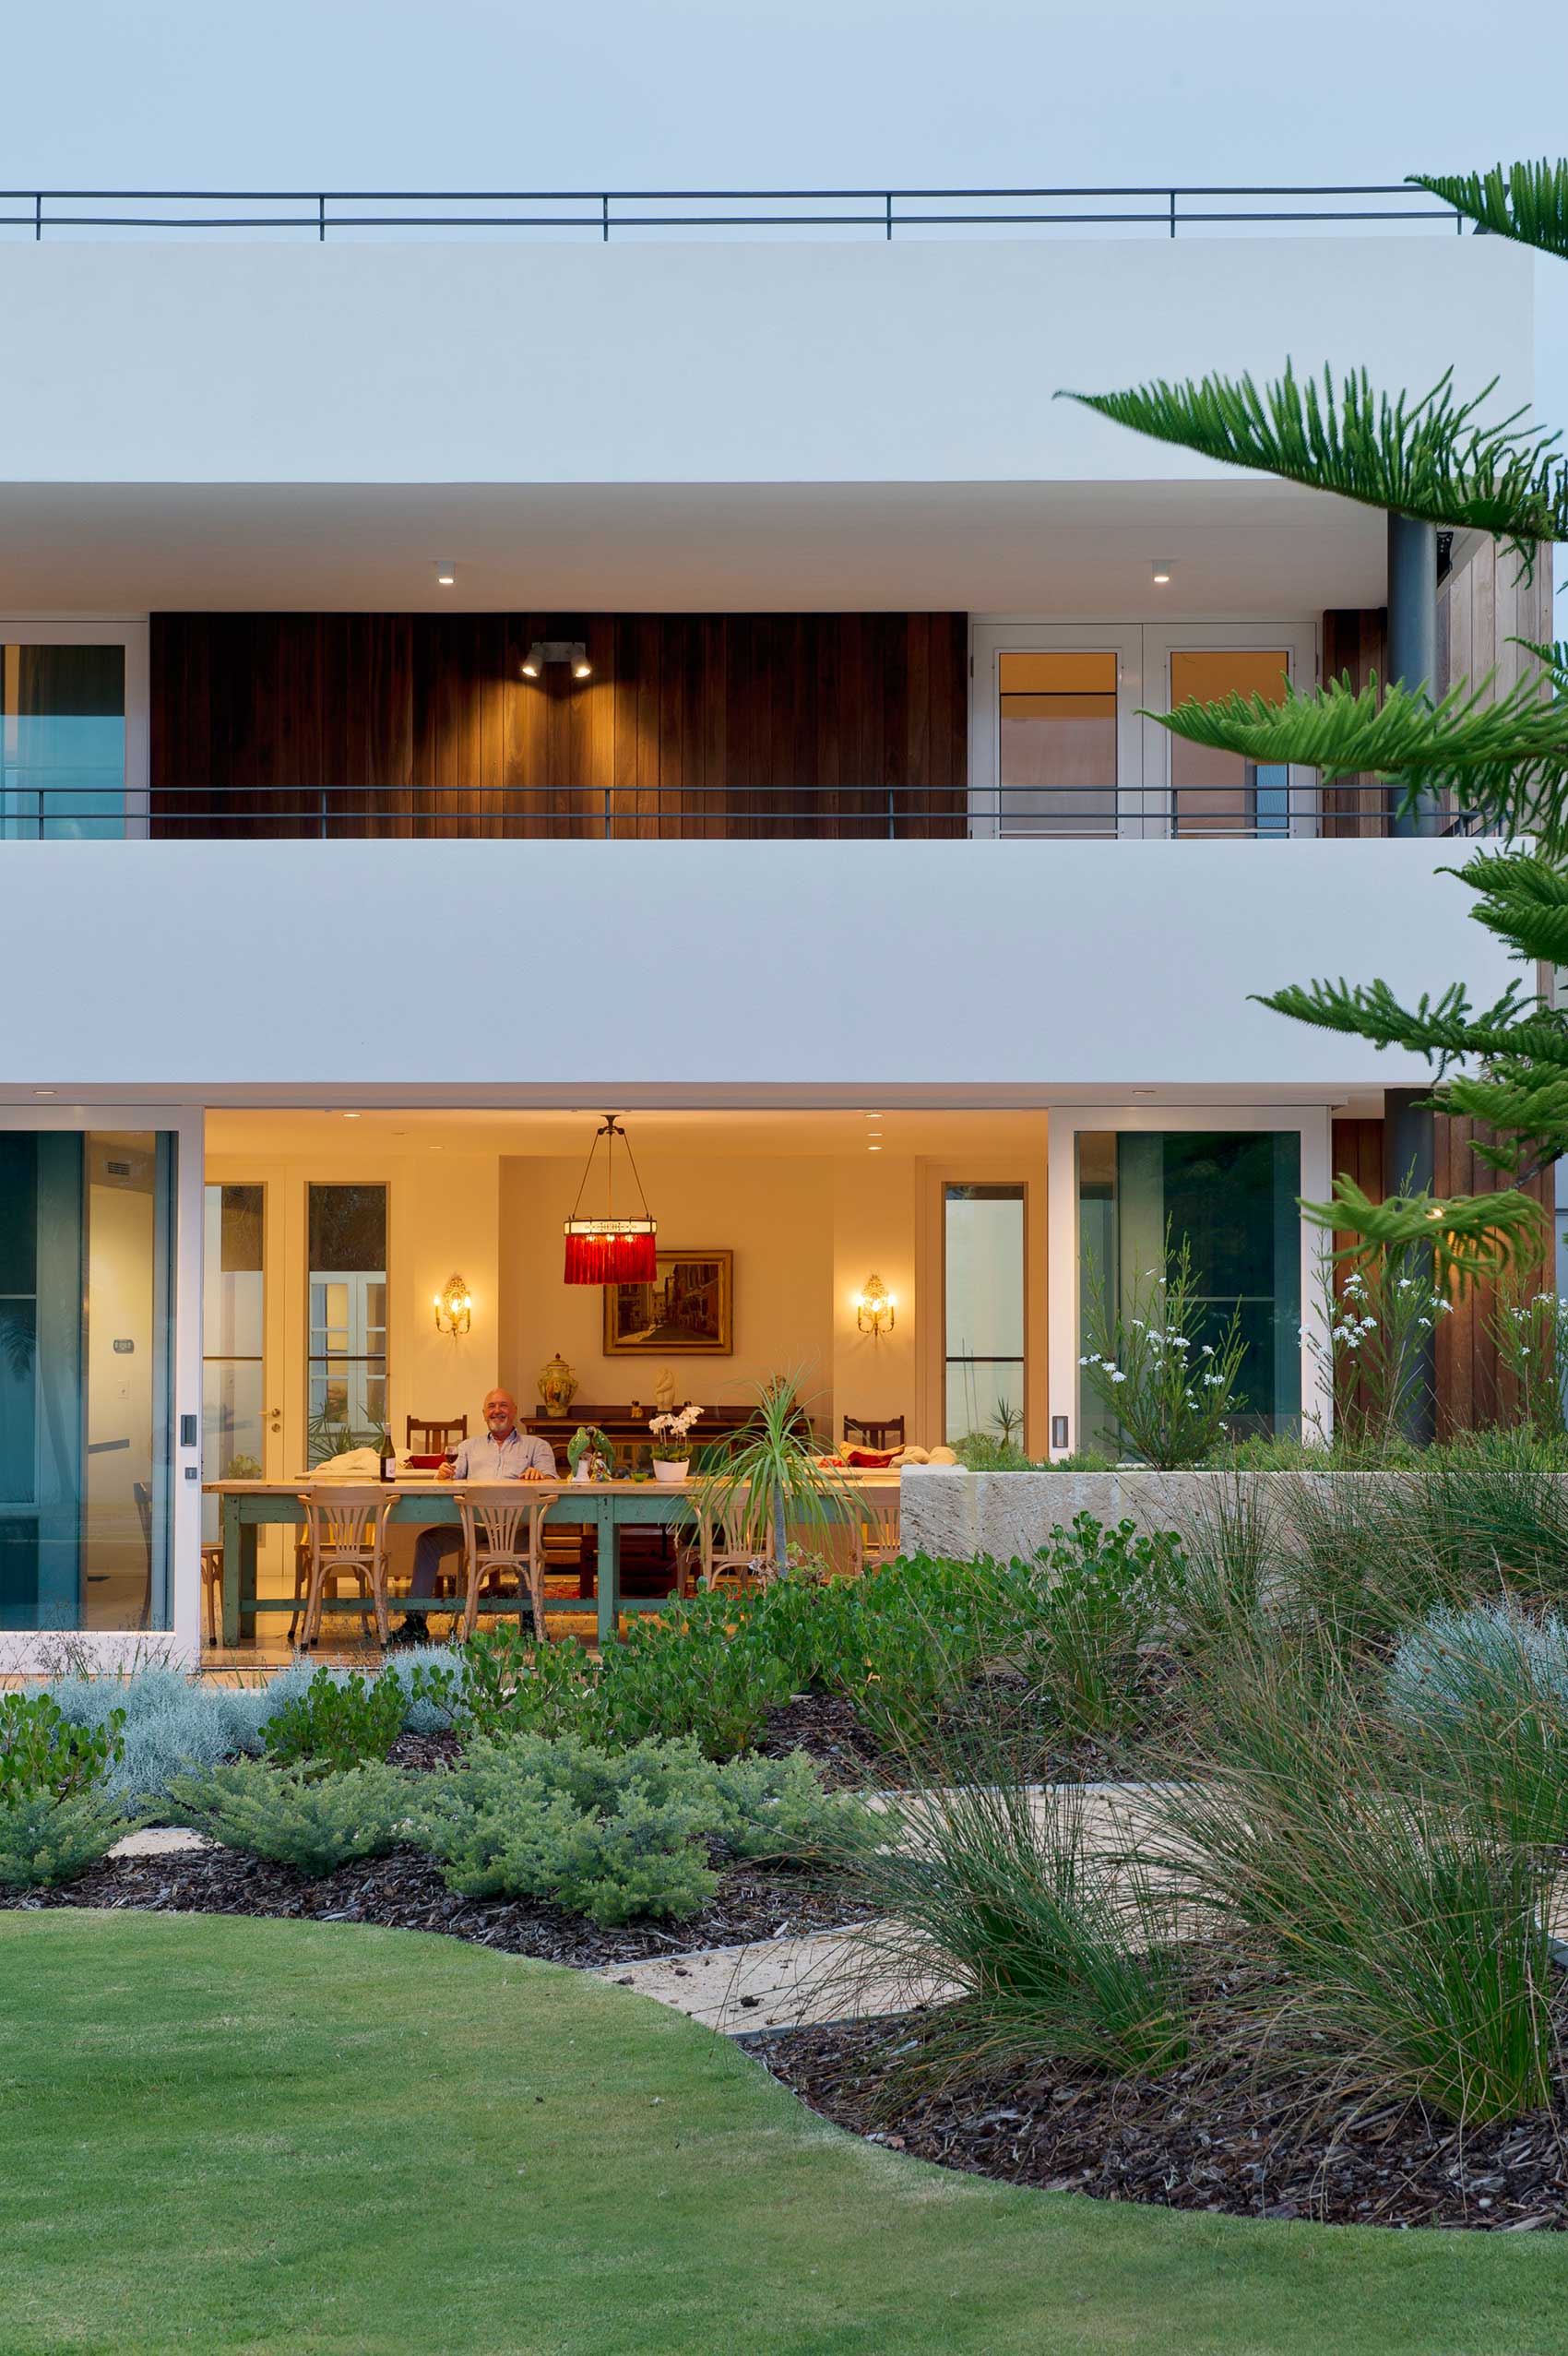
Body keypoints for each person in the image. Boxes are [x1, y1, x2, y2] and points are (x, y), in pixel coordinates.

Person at [394, 1387, 557, 1641]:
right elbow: (454, 1478)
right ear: (484, 1414)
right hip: (473, 1527)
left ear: (514, 1411)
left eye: (503, 1405)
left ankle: (530, 1624)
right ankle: (415, 1622)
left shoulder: (537, 1446)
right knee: (427, 1541)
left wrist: (541, 1476)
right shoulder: (468, 1447)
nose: (497, 1410)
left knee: (532, 1544)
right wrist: (444, 1474)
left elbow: (553, 1481)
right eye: (491, 1406)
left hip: (517, 1528)